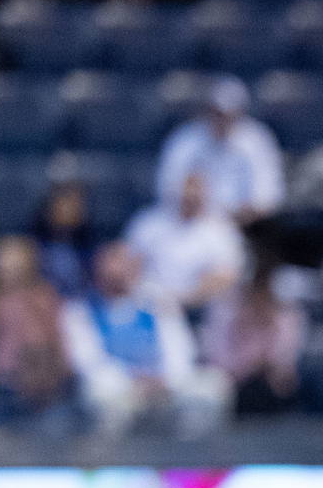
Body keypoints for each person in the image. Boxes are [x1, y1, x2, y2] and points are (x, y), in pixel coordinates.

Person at [59, 242, 230, 436]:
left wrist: (166, 380)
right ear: (96, 271)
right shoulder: (79, 311)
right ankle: (112, 460)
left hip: (165, 385)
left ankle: (192, 456)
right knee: (99, 391)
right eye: (110, 266)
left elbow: (180, 349)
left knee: (213, 386)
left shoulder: (157, 301)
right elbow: (87, 362)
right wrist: (133, 381)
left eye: (123, 264)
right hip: (121, 388)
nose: (117, 272)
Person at [0, 235, 75, 427]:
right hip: (2, 389)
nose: (7, 269)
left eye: (15, 264)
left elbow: (59, 347)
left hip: (43, 392)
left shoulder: (44, 298)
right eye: (3, 263)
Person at [154, 75, 284, 225]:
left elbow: (266, 199)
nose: (221, 119)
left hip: (241, 228)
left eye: (228, 114)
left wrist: (229, 221)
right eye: (216, 112)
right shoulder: (185, 139)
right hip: (190, 224)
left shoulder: (257, 140)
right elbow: (166, 191)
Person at [125, 172, 247, 314]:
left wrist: (187, 300)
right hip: (150, 308)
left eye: (196, 191)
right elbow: (128, 265)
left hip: (200, 312)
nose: (190, 196)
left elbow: (228, 277)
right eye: (187, 190)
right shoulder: (148, 224)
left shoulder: (222, 231)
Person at [200, 257, 305, 416]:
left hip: (273, 388)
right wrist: (247, 365)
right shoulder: (224, 312)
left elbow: (286, 363)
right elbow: (217, 359)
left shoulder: (286, 315)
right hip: (234, 386)